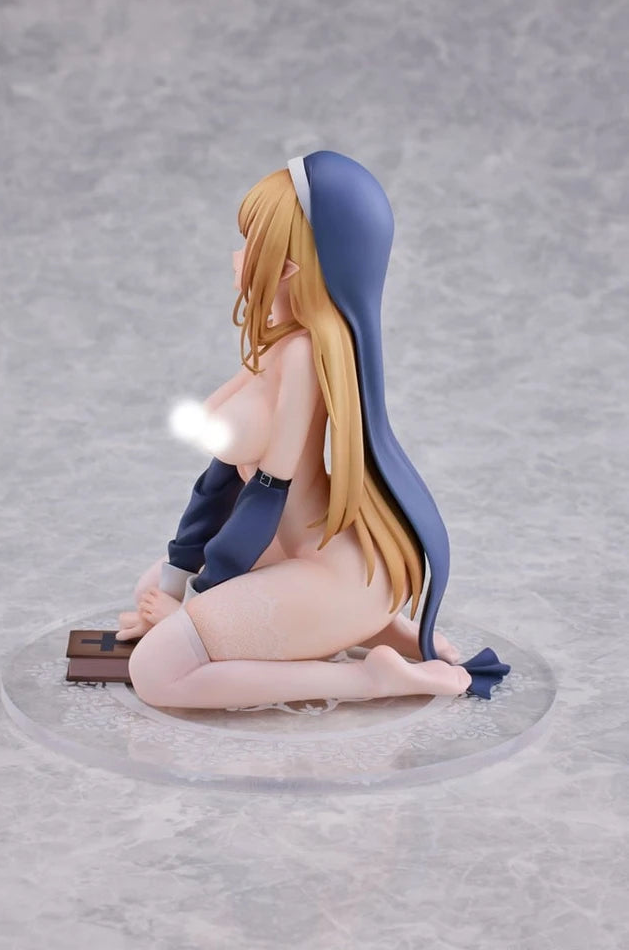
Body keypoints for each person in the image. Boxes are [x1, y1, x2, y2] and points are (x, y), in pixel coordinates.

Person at [117, 152, 509, 708]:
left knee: (157, 671)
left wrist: (197, 601)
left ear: (289, 267)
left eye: (251, 243)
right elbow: (217, 484)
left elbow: (262, 501)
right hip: (298, 553)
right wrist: (179, 578)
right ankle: (364, 629)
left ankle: (372, 677)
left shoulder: (305, 356)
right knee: (150, 589)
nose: (236, 258)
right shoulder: (278, 348)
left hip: (331, 575)